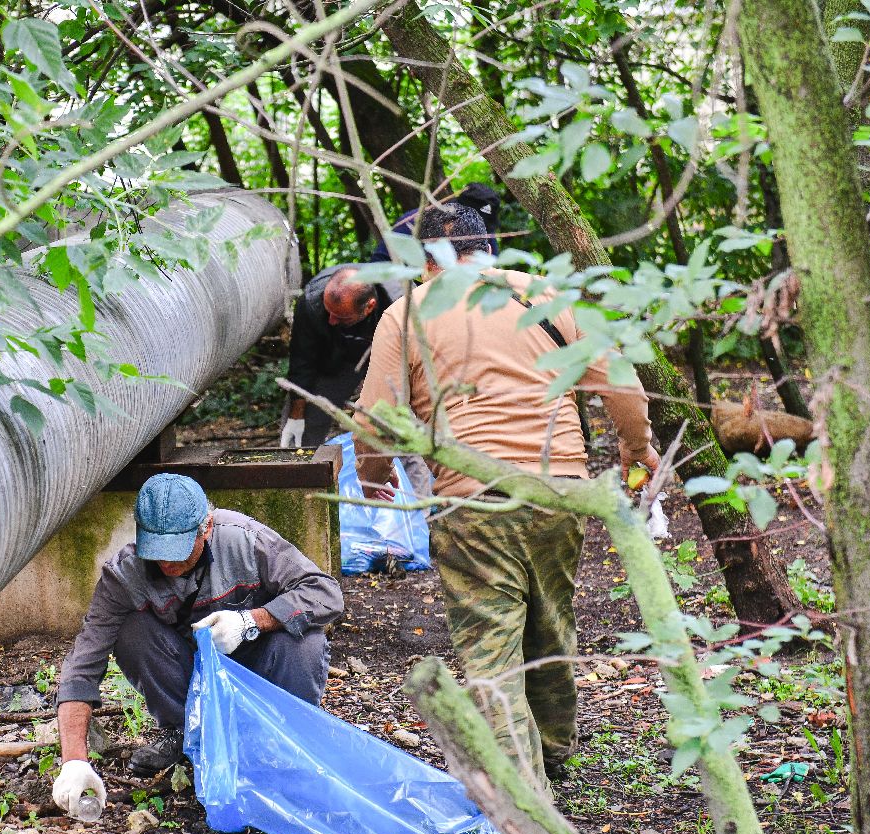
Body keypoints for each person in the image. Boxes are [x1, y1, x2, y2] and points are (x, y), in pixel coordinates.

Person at [355, 203, 659, 783]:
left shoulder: (407, 314)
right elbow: (620, 380)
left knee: (490, 648)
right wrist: (634, 447)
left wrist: (373, 476)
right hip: (560, 490)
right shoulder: (546, 294)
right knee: (549, 620)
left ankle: (525, 796)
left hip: (473, 498)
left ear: (425, 260)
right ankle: (555, 751)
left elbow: (375, 419)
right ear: (488, 248)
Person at [50, 473, 344, 816]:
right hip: (190, 676)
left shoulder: (245, 540)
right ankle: (187, 735)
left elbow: (325, 593)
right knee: (130, 630)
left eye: (178, 550)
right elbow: (82, 664)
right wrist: (73, 761)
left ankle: (286, 741)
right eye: (157, 551)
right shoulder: (124, 574)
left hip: (261, 664)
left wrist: (252, 621)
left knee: (305, 641)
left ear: (205, 528)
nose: (167, 563)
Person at [279, 265, 391, 449]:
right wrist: (296, 415)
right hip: (336, 358)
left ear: (369, 307)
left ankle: (417, 475)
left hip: (389, 360)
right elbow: (302, 361)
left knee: (402, 428)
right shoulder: (311, 303)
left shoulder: (398, 305)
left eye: (341, 317)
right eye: (328, 311)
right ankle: (305, 471)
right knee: (306, 426)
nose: (331, 320)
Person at [369, 182, 502, 263]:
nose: (478, 228)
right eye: (472, 222)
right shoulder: (414, 223)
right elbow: (381, 262)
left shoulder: (485, 233)